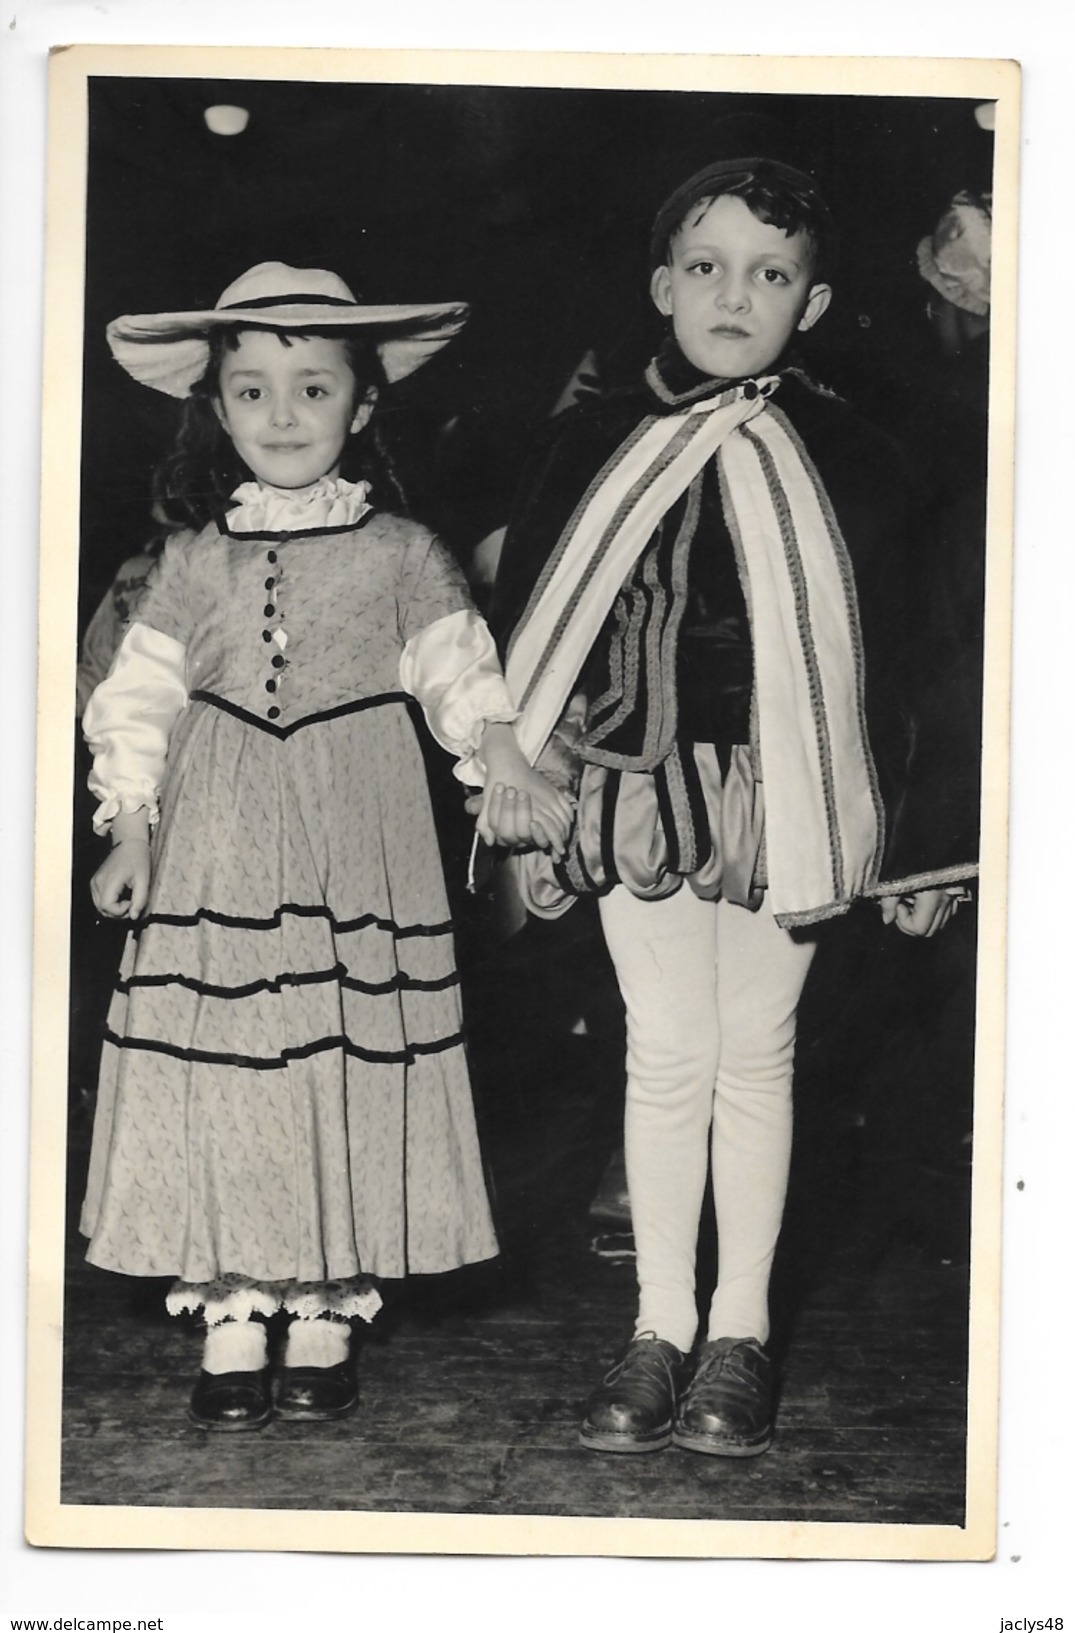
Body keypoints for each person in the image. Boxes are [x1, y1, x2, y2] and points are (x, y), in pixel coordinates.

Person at [489, 158, 977, 1458]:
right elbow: (522, 625)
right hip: (633, 786)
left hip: (791, 794)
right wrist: (514, 777)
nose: (732, 293)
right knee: (664, 1053)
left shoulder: (857, 454)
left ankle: (738, 1335)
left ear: (809, 307)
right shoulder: (590, 441)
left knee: (754, 1054)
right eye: (703, 266)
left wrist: (931, 838)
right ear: (660, 286)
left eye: (770, 274)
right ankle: (655, 1327)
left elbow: (923, 653)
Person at [81, 260, 572, 1432]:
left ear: (362, 406)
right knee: (236, 1060)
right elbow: (138, 695)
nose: (283, 415)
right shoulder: (193, 556)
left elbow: (460, 672)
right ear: (217, 408)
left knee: (336, 1054)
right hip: (221, 829)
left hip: (359, 829)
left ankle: (321, 1311)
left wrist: (498, 758)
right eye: (252, 391)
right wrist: (132, 823)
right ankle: (236, 1305)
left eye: (312, 388)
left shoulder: (405, 551)